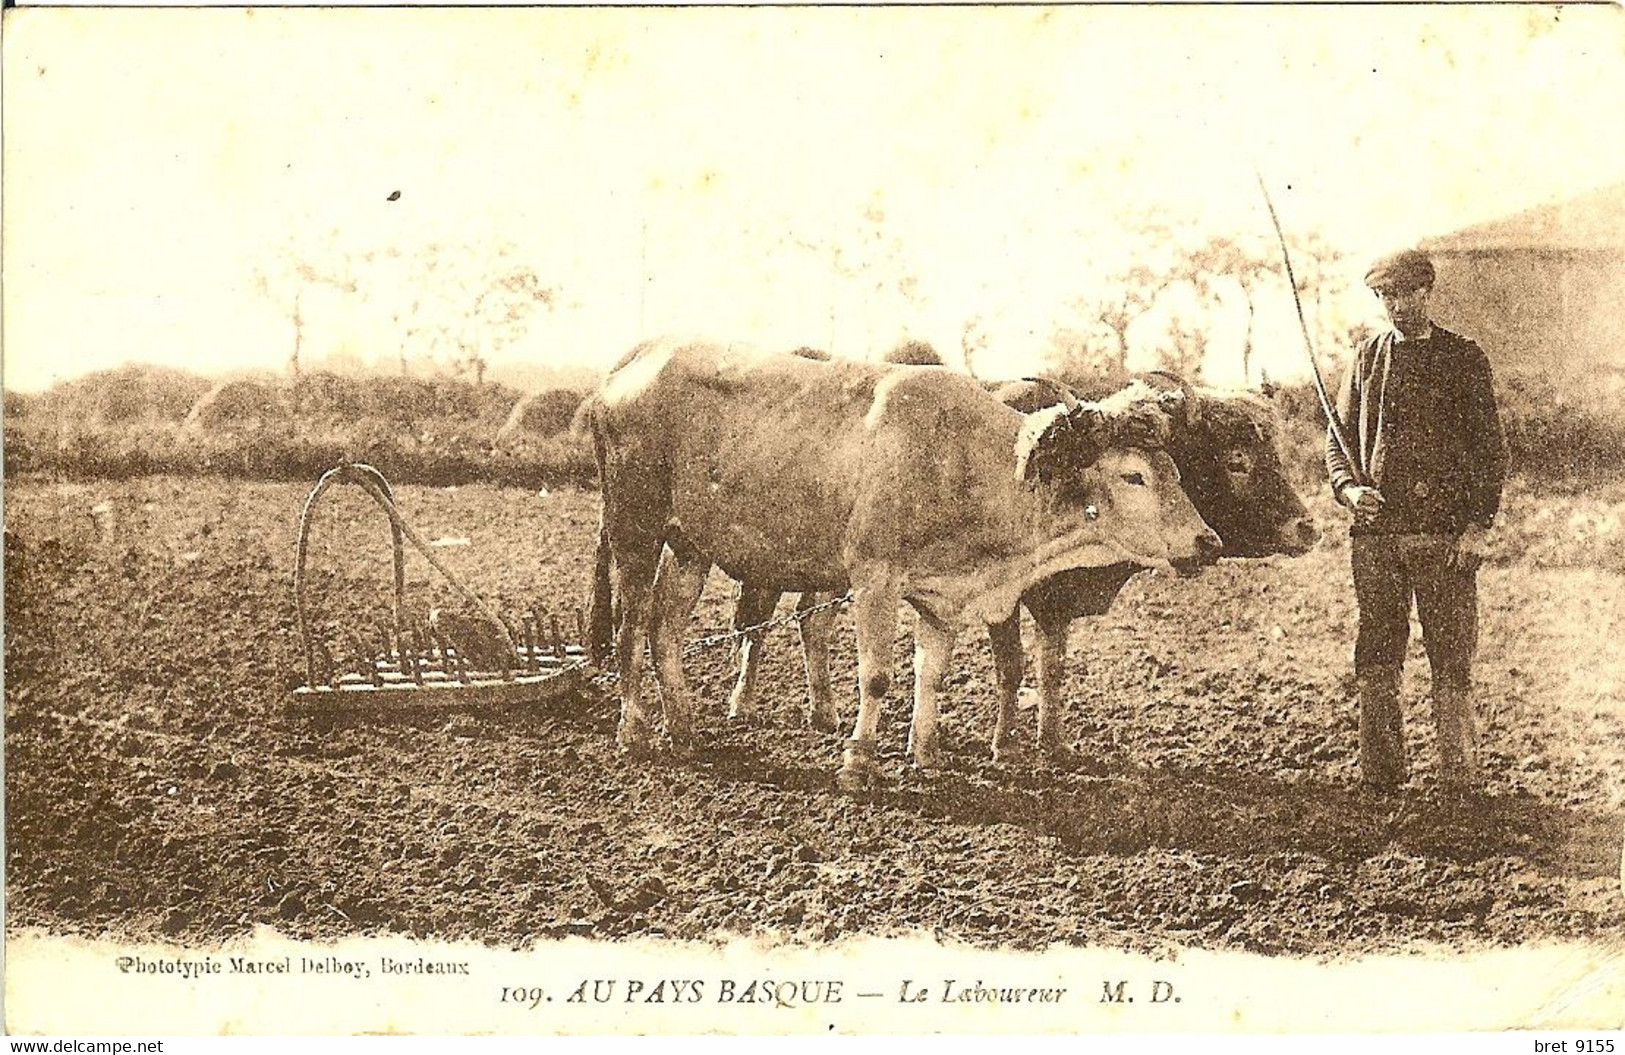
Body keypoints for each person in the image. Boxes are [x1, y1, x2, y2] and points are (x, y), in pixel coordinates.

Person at [1326, 248, 1507, 792]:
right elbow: (1336, 442)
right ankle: (1380, 777)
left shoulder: (1464, 358)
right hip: (1376, 538)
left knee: (1451, 655)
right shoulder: (1366, 358)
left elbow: (1490, 451)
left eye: (1405, 294)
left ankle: (1460, 778)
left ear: (1427, 292)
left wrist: (1478, 525)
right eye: (1385, 296)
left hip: (1444, 537)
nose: (1395, 306)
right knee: (1378, 651)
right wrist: (1349, 489)